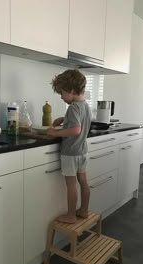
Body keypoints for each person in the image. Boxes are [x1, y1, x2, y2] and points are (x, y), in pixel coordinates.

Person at [47, 69, 92, 224]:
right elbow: (78, 121)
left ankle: (71, 215)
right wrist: (64, 119)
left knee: (71, 184)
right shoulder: (85, 105)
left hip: (71, 153)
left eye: (62, 92)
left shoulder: (72, 107)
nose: (61, 96)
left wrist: (55, 133)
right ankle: (84, 210)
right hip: (82, 151)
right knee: (84, 182)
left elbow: (75, 129)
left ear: (71, 90)